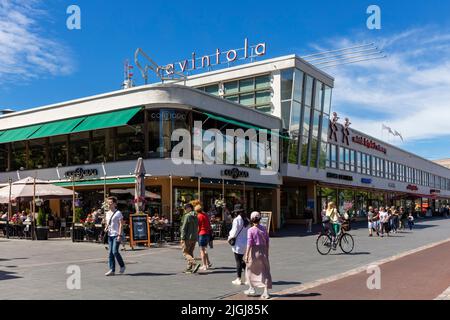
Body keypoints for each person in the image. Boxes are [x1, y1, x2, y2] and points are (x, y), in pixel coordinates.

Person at [244, 211, 272, 299]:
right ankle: (266, 292)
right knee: (266, 271)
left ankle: (251, 288)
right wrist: (267, 253)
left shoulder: (250, 230)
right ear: (260, 219)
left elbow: (249, 243)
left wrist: (247, 255)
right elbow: (267, 242)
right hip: (263, 251)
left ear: (251, 220)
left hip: (254, 251)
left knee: (249, 269)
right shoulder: (264, 228)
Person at [104, 196, 126, 276]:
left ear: (115, 204)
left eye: (110, 203)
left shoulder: (118, 213)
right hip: (110, 235)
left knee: (115, 251)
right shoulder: (107, 213)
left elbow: (121, 224)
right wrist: (106, 227)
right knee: (110, 253)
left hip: (116, 234)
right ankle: (112, 270)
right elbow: (107, 223)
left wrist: (119, 235)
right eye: (108, 203)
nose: (109, 204)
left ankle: (122, 266)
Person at [228, 209, 250, 285]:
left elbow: (234, 232)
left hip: (238, 243)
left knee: (238, 261)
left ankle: (239, 279)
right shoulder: (247, 219)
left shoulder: (236, 220)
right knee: (241, 260)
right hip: (245, 242)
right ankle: (249, 277)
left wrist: (230, 238)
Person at [180, 203, 200, 274]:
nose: (185, 210)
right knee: (190, 252)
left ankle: (194, 263)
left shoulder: (187, 216)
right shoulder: (196, 216)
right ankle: (189, 268)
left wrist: (182, 237)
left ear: (189, 208)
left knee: (185, 253)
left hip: (187, 237)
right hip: (194, 237)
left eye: (185, 208)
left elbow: (184, 228)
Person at [196, 204, 212, 271]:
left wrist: (196, 233)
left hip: (201, 233)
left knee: (202, 250)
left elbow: (198, 226)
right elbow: (209, 224)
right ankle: (208, 263)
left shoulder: (199, 216)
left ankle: (204, 265)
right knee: (204, 249)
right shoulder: (205, 215)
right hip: (207, 233)